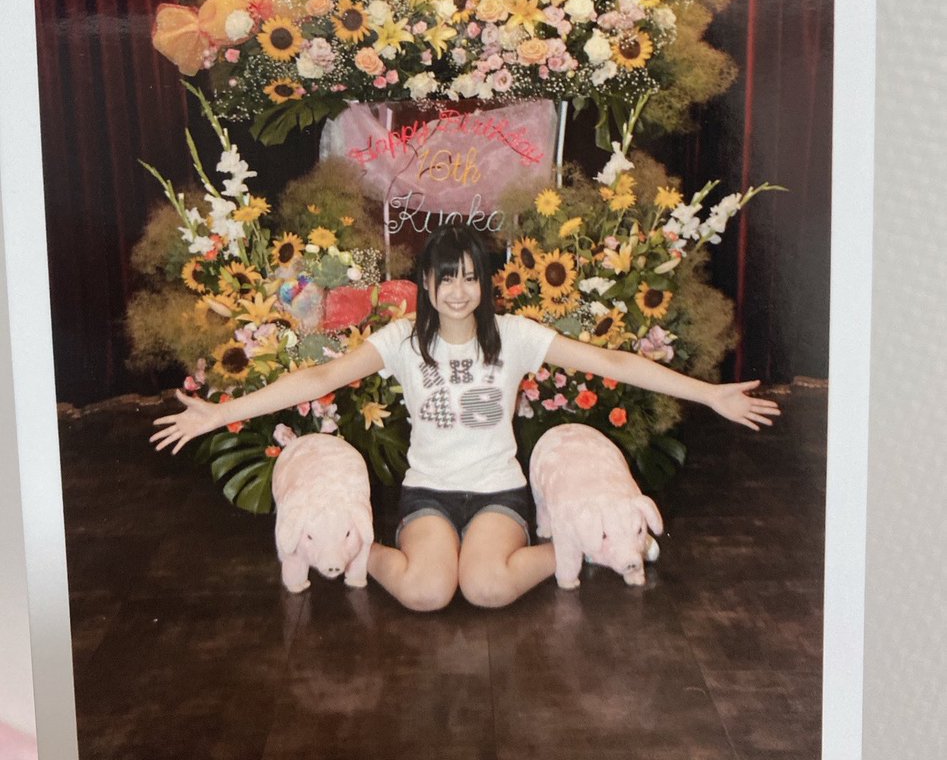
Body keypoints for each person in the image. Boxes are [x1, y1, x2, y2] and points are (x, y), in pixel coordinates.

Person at [151, 224, 780, 611]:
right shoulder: (403, 341)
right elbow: (318, 378)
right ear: (426, 283)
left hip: (496, 492)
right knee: (427, 593)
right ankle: (356, 548)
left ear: (484, 284)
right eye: (446, 278)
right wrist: (219, 414)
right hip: (428, 492)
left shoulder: (514, 336)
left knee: (486, 588)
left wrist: (709, 395)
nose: (458, 291)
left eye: (471, 279)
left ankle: (580, 543)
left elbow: (611, 361)